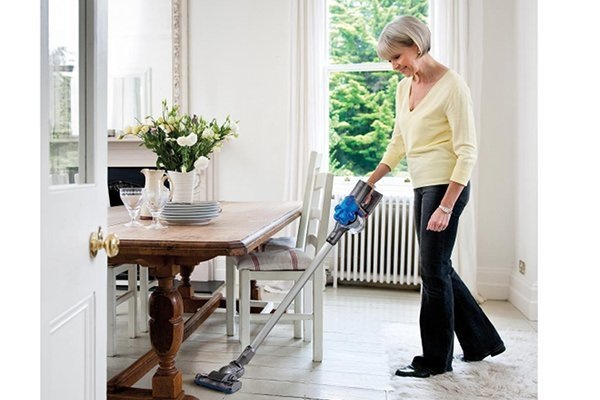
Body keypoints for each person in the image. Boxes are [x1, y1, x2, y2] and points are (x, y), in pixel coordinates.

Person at [365, 15, 505, 378]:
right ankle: (481, 341)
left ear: (416, 44)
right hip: (422, 184)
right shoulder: (404, 88)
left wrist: (446, 205)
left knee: (433, 271)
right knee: (437, 269)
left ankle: (435, 361)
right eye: (389, 61)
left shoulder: (452, 85)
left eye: (398, 57)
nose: (395, 66)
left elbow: (467, 151)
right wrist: (371, 180)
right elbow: (399, 143)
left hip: (447, 187)